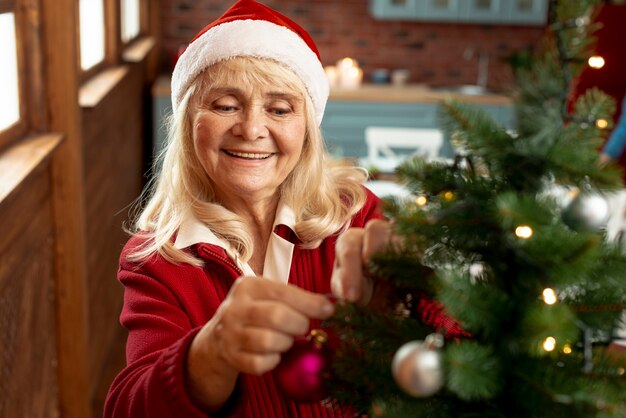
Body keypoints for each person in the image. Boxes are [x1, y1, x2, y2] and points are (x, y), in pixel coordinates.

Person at [104, 1, 464, 417]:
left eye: (279, 109)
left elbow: (471, 352)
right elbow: (127, 408)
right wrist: (208, 355)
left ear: (307, 130)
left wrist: (408, 313)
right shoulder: (155, 261)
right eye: (225, 105)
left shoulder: (360, 218)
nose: (253, 129)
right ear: (188, 123)